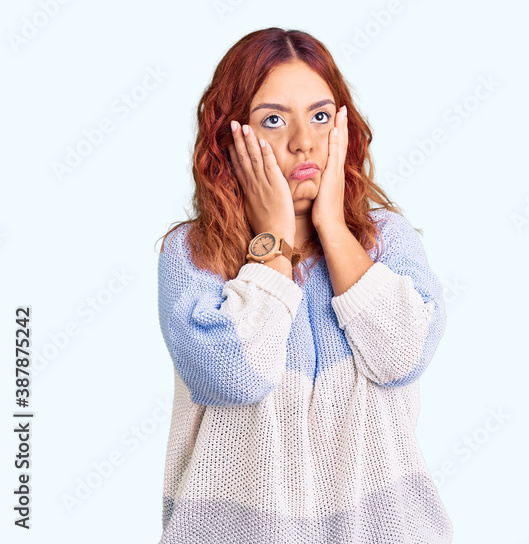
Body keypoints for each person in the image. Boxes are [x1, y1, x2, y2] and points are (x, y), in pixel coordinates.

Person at [154, 27, 452, 543]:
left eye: (320, 116)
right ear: (231, 137)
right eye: (274, 119)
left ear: (342, 126)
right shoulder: (192, 253)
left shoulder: (388, 241)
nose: (303, 142)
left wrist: (332, 226)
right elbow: (232, 377)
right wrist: (273, 240)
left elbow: (403, 356)